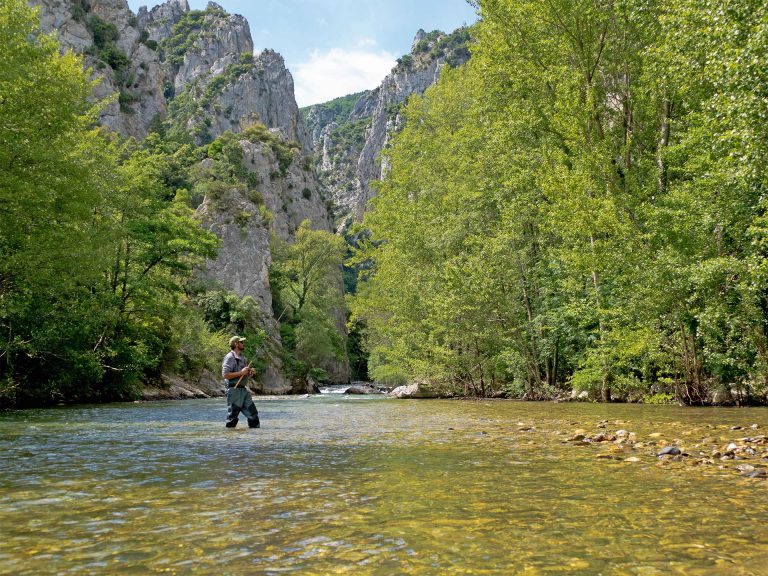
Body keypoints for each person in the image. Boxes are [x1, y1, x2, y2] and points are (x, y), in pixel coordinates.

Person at [221, 335, 260, 428]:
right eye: (241, 342)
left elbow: (244, 375)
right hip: (233, 391)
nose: (243, 343)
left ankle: (254, 438)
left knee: (253, 415)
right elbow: (225, 374)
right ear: (236, 344)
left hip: (243, 391)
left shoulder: (243, 357)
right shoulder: (229, 357)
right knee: (232, 418)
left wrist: (250, 372)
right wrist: (241, 372)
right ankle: (229, 439)